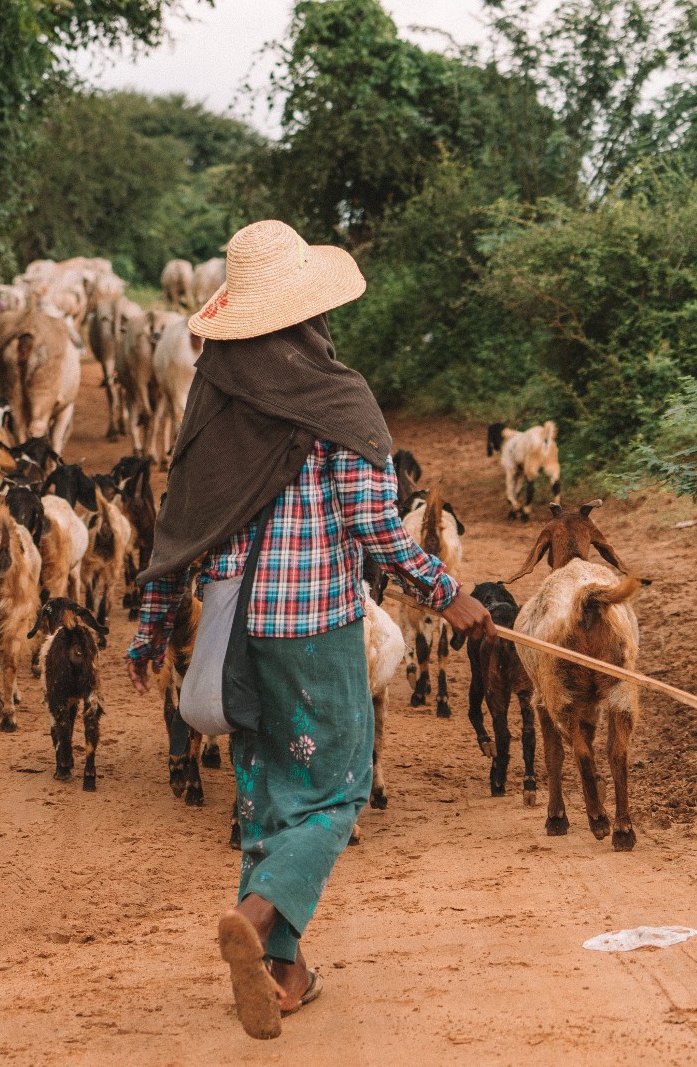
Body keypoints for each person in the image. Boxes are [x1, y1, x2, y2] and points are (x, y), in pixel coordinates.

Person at [125, 218, 493, 1040]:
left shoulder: (213, 401)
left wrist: (150, 627)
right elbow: (379, 529)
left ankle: (284, 975)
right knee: (334, 791)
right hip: (315, 631)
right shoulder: (338, 400)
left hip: (232, 635)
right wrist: (448, 593)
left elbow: (177, 523)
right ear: (311, 311)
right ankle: (255, 922)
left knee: (266, 801)